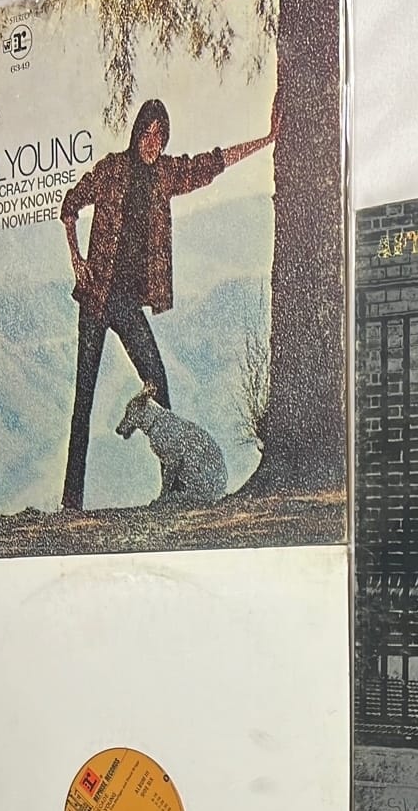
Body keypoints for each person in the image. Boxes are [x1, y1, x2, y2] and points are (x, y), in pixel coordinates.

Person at [58, 96, 281, 510]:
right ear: (137, 134)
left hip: (125, 304)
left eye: (161, 137)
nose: (154, 143)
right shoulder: (111, 169)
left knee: (157, 383)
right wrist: (77, 260)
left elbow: (210, 164)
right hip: (95, 299)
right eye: (149, 134)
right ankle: (71, 503)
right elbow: (69, 206)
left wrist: (266, 140)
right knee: (83, 399)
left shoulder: (165, 174)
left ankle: (176, 489)